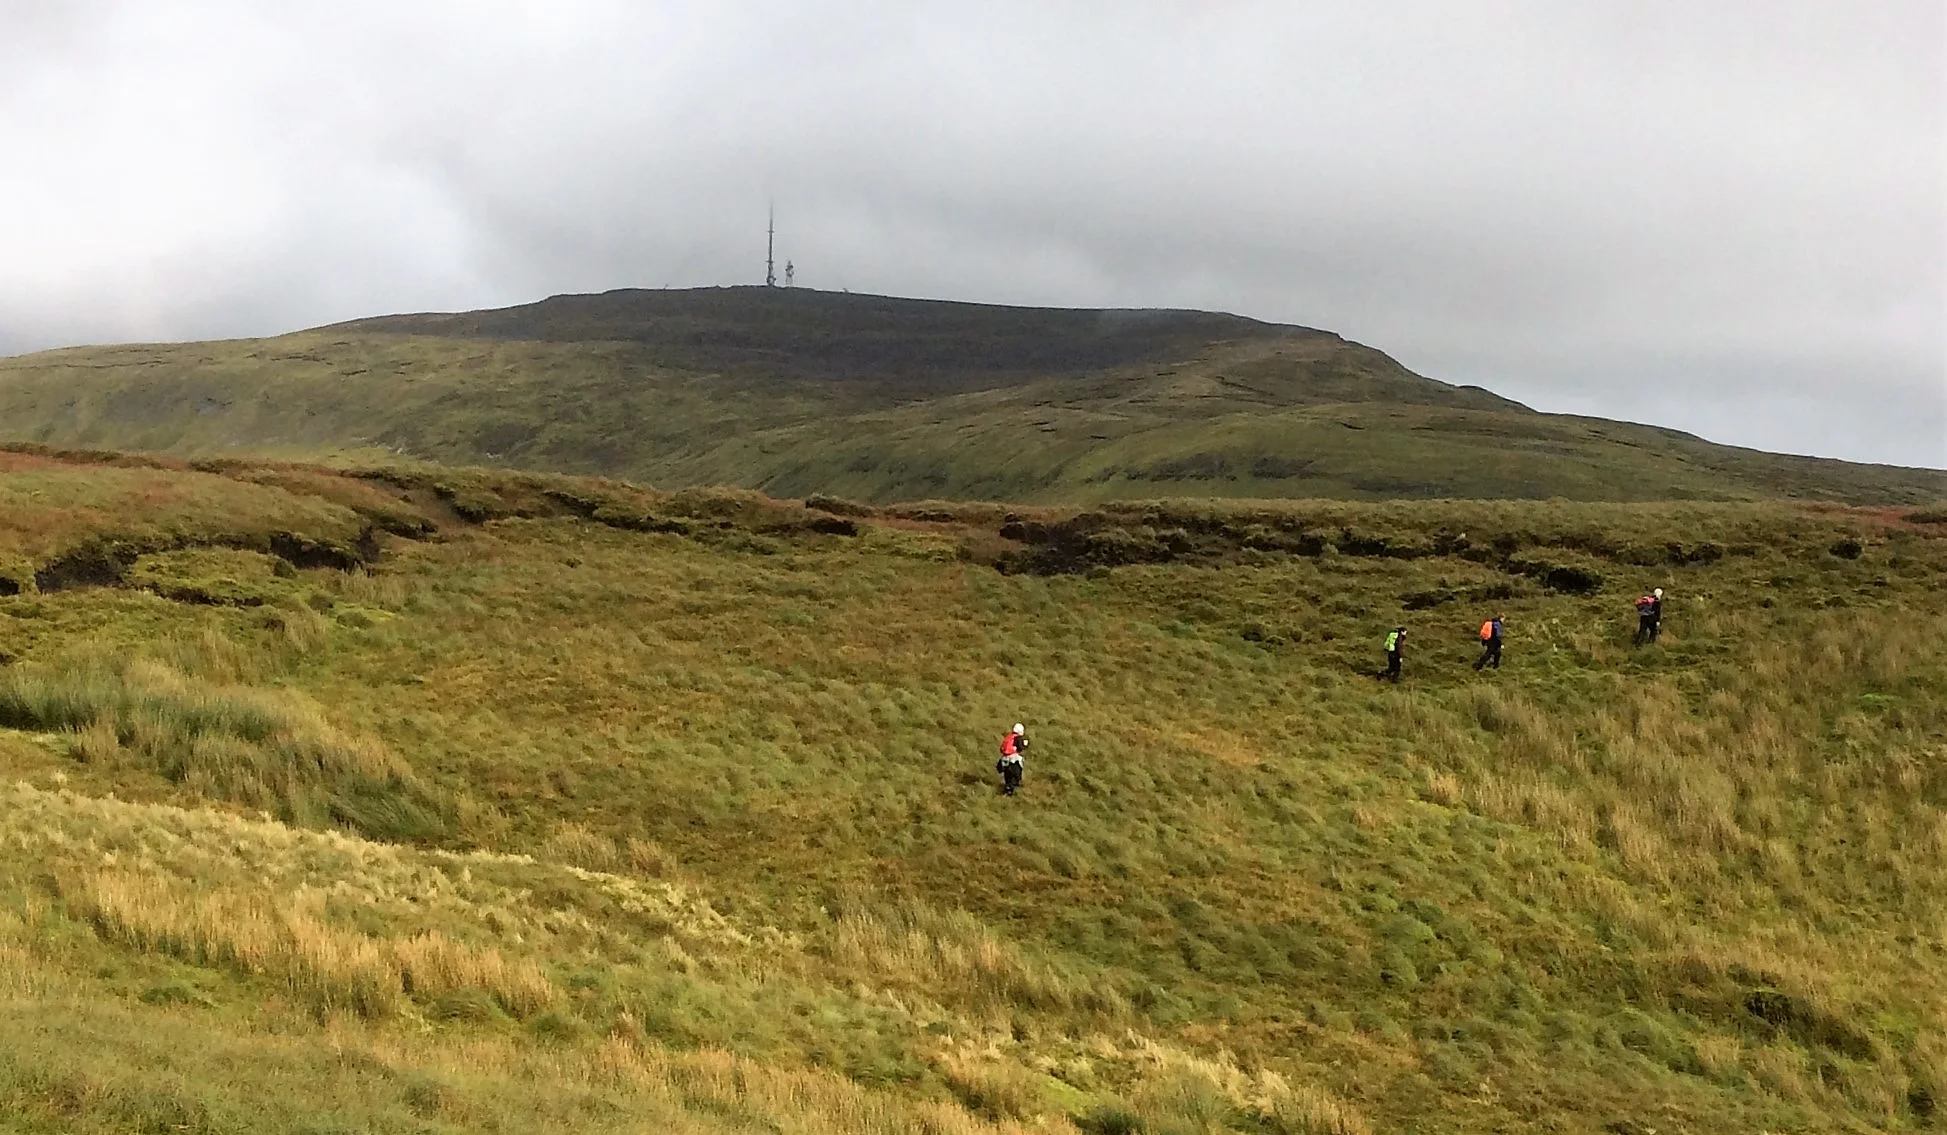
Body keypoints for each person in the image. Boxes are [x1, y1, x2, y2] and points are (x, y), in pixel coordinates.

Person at [996, 723, 1028, 795]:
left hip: (1005, 760)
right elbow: (1020, 748)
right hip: (1013, 760)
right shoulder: (1018, 738)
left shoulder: (1008, 737)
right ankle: (1010, 789)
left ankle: (1007, 787)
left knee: (1007, 775)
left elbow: (1002, 748)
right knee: (1015, 775)